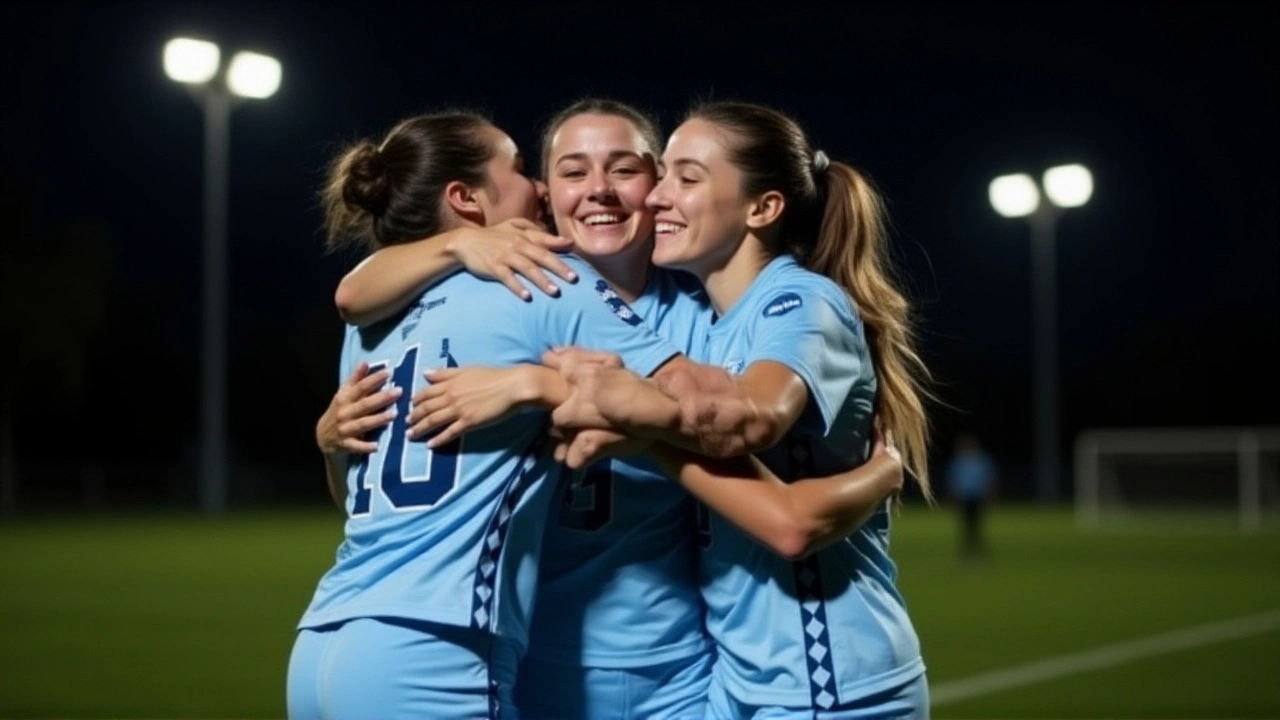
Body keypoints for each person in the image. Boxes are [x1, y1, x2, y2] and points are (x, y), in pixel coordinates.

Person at [315, 99, 907, 720]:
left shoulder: (710, 309)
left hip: (685, 671)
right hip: (541, 667)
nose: (599, 189)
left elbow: (759, 435)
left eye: (624, 169)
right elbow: (355, 296)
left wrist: (546, 388)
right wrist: (335, 440)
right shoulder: (516, 293)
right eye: (572, 172)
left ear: (656, 185)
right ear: (545, 195)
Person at [288, 109, 693, 720]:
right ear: (467, 199)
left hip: (325, 640)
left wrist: (329, 446)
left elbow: (353, 500)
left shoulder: (374, 320)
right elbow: (697, 403)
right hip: (436, 644)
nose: (536, 190)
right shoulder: (545, 279)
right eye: (523, 170)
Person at [545, 101, 935, 718]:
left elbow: (756, 418)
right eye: (663, 174)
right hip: (743, 681)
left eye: (686, 178)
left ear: (763, 208)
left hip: (829, 677)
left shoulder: (799, 300)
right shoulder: (713, 326)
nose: (655, 198)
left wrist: (632, 416)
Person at [945, 432, 997, 561]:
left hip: (977, 497)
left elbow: (988, 479)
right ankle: (967, 553)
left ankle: (979, 552)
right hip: (964, 498)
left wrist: (990, 496)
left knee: (977, 526)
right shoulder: (958, 462)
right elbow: (954, 481)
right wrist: (953, 497)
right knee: (965, 527)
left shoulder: (982, 460)